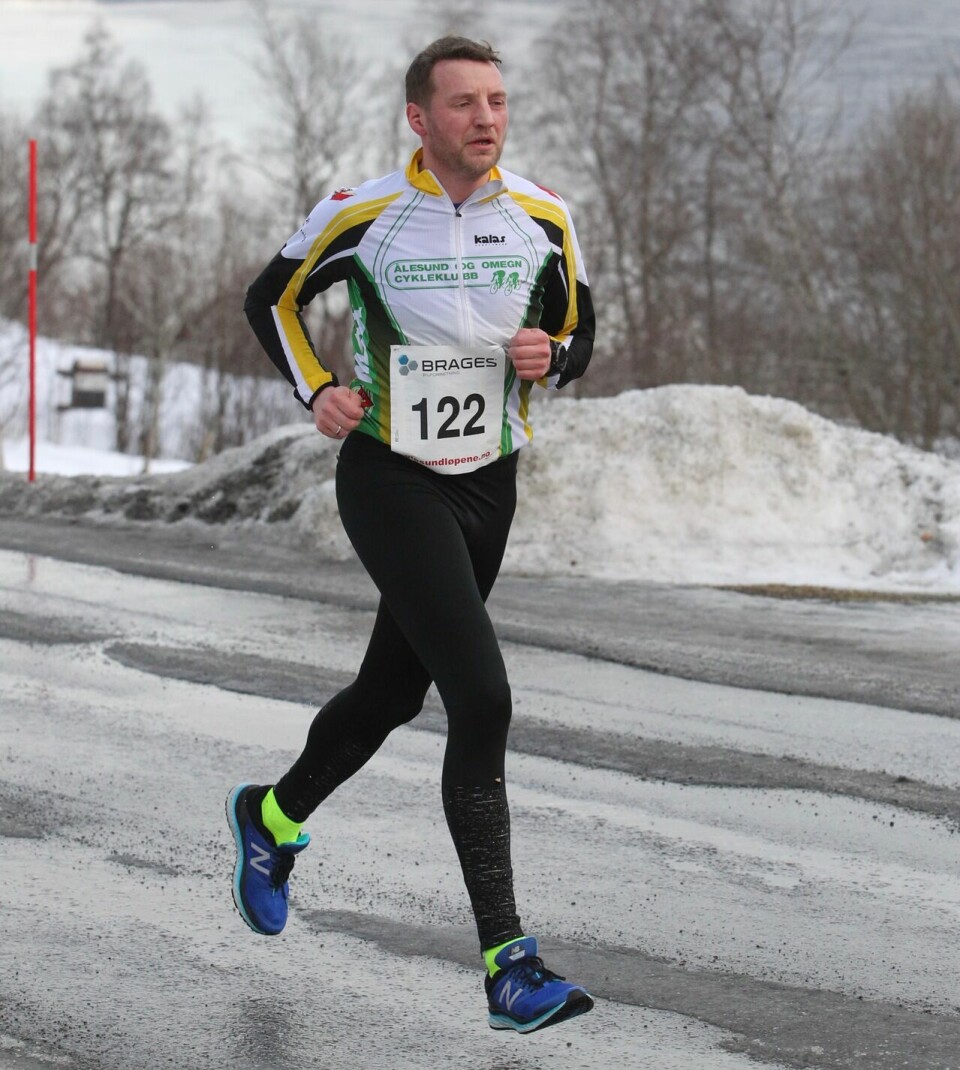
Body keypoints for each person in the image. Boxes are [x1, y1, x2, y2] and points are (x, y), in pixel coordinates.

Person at [228, 34, 596, 1034]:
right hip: (391, 477)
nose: (487, 118)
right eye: (465, 103)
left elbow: (580, 329)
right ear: (419, 119)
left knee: (392, 691)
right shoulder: (365, 214)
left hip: (491, 485)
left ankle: (271, 817)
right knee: (480, 693)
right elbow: (273, 297)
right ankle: (508, 960)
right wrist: (320, 388)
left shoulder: (544, 214)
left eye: (498, 101)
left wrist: (549, 350)